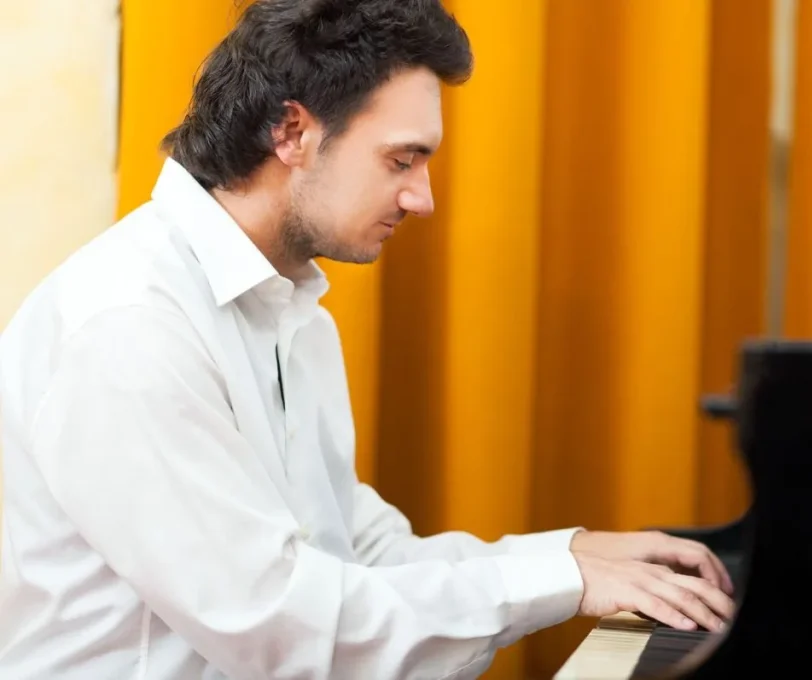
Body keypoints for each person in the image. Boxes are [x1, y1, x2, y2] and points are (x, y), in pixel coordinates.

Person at [0, 1, 735, 678]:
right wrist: (558, 582)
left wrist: (564, 555)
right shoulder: (128, 327)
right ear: (292, 132)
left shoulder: (291, 312)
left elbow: (357, 556)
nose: (422, 198)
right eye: (402, 159)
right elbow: (283, 627)